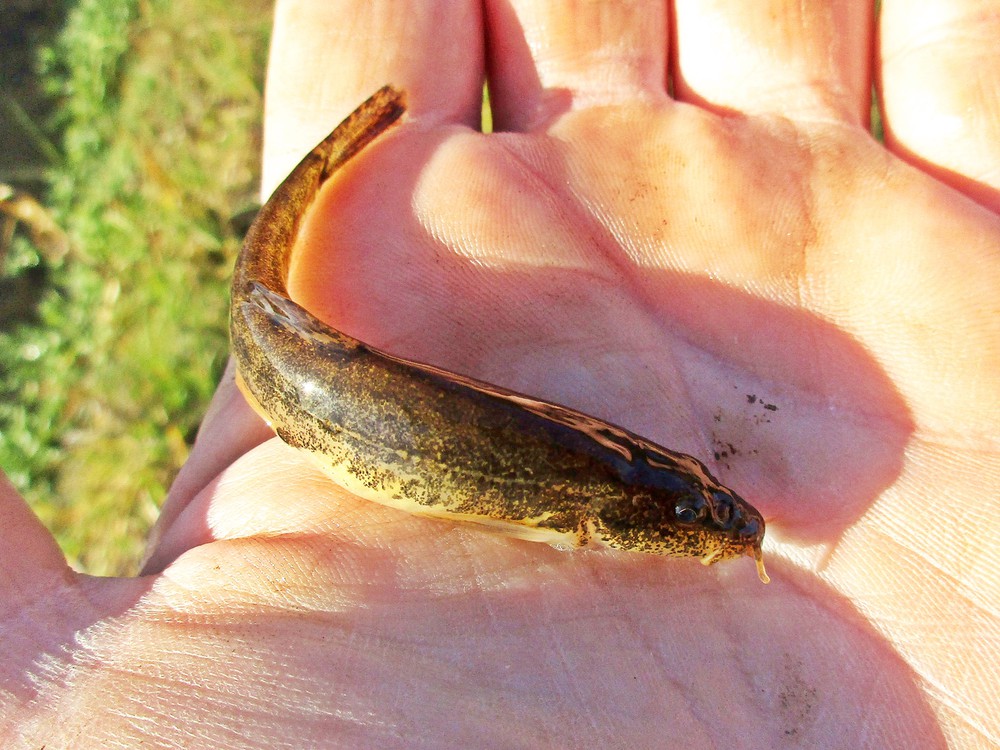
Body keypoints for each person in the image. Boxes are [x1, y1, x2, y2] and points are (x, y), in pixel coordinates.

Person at [3, 1, 998, 746]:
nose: (716, 524)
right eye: (694, 515)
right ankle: (350, 142)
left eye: (698, 511)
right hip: (311, 389)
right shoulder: (599, 499)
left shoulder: (613, 492)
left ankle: (359, 134)